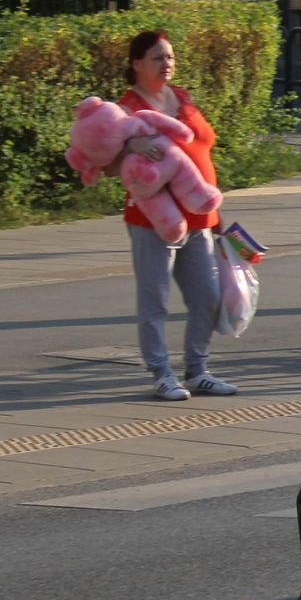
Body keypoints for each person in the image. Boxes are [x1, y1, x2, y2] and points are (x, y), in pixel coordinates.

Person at [115, 30, 236, 401]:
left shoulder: (182, 96)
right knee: (156, 301)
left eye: (169, 57)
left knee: (208, 298)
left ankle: (197, 370)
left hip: (199, 216)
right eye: (157, 58)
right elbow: (105, 159)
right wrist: (130, 143)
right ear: (137, 65)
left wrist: (216, 214)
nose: (166, 64)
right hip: (153, 221)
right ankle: (162, 373)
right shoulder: (127, 107)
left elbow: (201, 149)